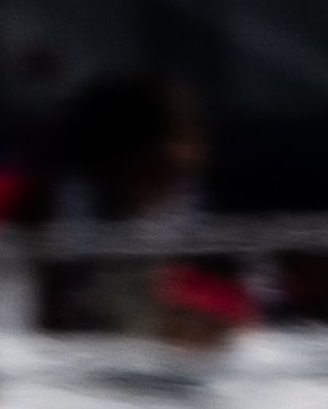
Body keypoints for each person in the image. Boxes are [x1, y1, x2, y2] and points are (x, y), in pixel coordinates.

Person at [32, 68, 253, 348]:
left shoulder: (194, 210)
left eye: (180, 178)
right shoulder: (60, 214)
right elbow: (62, 315)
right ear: (117, 155)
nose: (170, 190)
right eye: (158, 172)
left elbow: (243, 313)